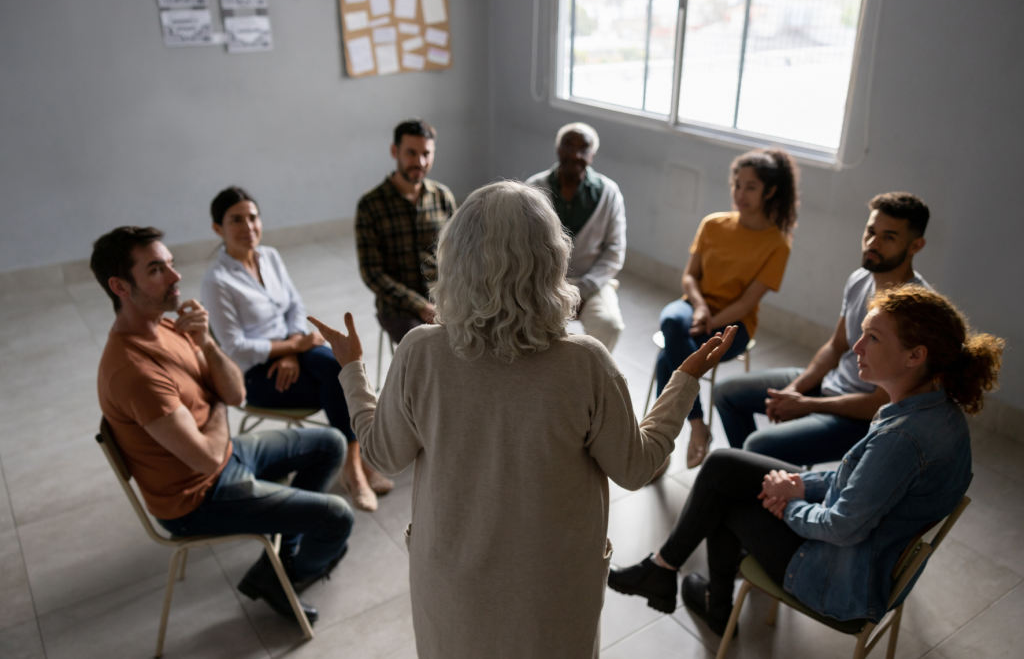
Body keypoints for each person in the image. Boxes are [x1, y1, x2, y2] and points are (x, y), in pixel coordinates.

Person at [310, 182, 739, 659]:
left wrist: (352, 370)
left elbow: (383, 454)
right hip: (552, 591)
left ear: (453, 260)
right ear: (552, 261)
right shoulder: (585, 363)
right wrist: (683, 382)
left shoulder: (421, 352)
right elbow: (635, 468)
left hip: (453, 586)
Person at [609, 285, 1001, 638]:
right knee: (725, 465)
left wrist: (790, 504)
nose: (857, 347)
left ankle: (707, 599)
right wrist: (801, 485)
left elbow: (841, 527)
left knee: (726, 499)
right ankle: (664, 570)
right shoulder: (933, 410)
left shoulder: (903, 437)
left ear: (916, 355)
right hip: (861, 542)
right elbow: (858, 477)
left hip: (837, 572)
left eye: (873, 338)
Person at [92, 226, 353, 625]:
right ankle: (291, 575)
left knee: (331, 443)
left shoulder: (166, 326)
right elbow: (207, 456)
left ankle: (277, 565)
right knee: (337, 517)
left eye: (171, 264)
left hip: (225, 455)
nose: (176, 276)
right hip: (197, 498)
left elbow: (235, 393)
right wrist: (216, 399)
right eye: (156, 269)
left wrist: (207, 344)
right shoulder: (134, 371)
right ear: (120, 286)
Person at [201, 186, 392, 512]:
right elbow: (234, 346)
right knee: (338, 381)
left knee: (339, 371)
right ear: (218, 228)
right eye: (236, 220)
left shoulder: (270, 256)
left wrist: (291, 350)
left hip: (293, 352)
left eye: (253, 217)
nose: (248, 227)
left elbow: (294, 307)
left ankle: (355, 463)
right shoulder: (216, 280)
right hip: (255, 375)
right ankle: (358, 466)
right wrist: (291, 346)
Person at [715, 192, 932, 467]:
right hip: (831, 386)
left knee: (757, 446)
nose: (872, 243)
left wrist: (806, 405)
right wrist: (794, 390)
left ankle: (759, 477)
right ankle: (756, 478)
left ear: (915, 246)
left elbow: (881, 403)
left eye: (888, 237)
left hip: (862, 418)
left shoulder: (917, 309)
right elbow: (836, 346)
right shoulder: (860, 279)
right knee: (726, 393)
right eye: (870, 231)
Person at [657, 148, 799, 470]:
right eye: (737, 185)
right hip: (695, 309)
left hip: (735, 323)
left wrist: (711, 322)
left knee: (668, 357)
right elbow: (690, 277)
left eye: (751, 187)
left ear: (769, 191)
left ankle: (660, 443)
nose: (740, 194)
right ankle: (697, 425)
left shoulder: (777, 244)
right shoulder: (713, 224)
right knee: (671, 320)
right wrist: (700, 308)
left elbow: (748, 302)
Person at [526, 122, 627, 352]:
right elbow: (522, 244)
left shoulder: (608, 193)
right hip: (541, 281)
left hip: (591, 281)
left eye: (584, 148)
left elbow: (614, 251)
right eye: (568, 146)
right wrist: (546, 285)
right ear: (557, 148)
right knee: (532, 327)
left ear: (593, 154)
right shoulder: (534, 188)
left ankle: (592, 370)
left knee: (609, 325)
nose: (575, 154)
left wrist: (583, 290)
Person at [356, 119, 456, 345]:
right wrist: (420, 307)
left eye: (426, 154)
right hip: (398, 308)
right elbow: (372, 273)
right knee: (428, 348)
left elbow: (458, 254)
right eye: (411, 153)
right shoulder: (370, 205)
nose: (420, 162)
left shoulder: (442, 197)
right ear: (395, 151)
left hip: (442, 298)